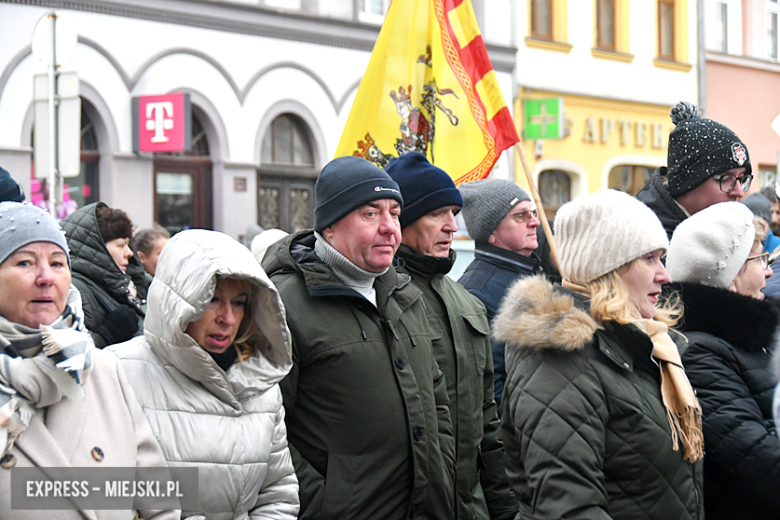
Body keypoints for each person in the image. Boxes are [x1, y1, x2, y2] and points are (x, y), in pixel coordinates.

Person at [262, 156, 455, 520]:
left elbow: (437, 398)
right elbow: (265, 426)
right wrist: (325, 505)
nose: (389, 228)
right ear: (330, 226)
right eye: (370, 214)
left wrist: (440, 468)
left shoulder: (404, 294)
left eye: (395, 214)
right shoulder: (283, 303)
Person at [494, 189, 704, 520]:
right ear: (608, 268)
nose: (664, 274)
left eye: (661, 258)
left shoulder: (642, 343)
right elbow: (568, 506)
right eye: (649, 259)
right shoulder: (559, 358)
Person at [0, 202, 178, 520]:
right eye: (25, 262)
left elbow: (159, 502)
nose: (46, 277)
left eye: (57, 263)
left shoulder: (103, 370)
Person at [110, 229, 299, 519]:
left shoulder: (260, 380)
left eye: (239, 302)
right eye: (211, 300)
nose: (228, 318)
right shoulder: (117, 372)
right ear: (178, 300)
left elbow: (277, 493)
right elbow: (102, 491)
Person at [386, 152, 517, 520]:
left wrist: (504, 508)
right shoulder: (382, 299)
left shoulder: (466, 303)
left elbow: (486, 423)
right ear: (402, 221)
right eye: (435, 214)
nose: (451, 227)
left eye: (453, 214)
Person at [666, 202, 780, 520]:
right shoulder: (701, 354)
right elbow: (755, 461)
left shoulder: (757, 331)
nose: (769, 270)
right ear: (729, 276)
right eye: (760, 259)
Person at [457, 178, 543, 413]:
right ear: (491, 232)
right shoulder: (478, 292)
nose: (534, 222)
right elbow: (490, 385)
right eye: (520, 216)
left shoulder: (530, 272)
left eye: (532, 213)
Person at [637, 101, 752, 239]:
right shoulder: (643, 240)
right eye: (727, 179)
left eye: (742, 179)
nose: (739, 192)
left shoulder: (732, 237)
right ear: (689, 182)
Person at [61, 202, 144, 349]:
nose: (129, 253)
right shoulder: (73, 289)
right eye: (120, 245)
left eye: (128, 244)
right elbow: (63, 349)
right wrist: (105, 335)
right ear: (96, 248)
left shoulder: (124, 284)